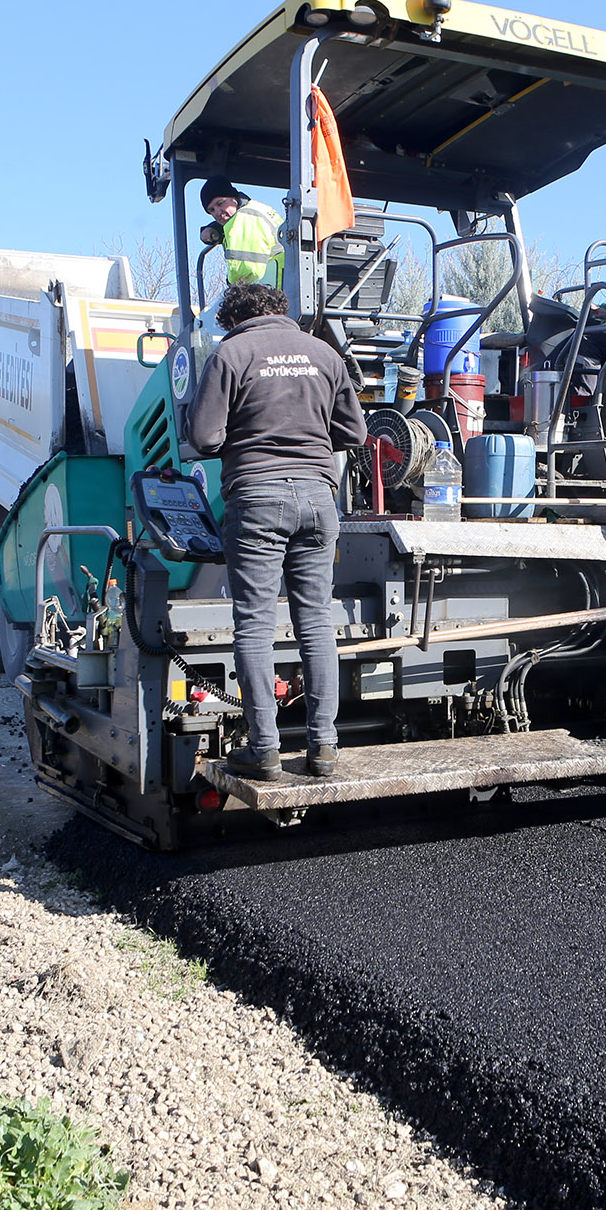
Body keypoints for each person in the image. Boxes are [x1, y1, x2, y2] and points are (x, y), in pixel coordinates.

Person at [187, 282, 366, 779]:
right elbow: (355, 434)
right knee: (315, 623)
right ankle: (324, 749)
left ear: (231, 318)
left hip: (257, 499)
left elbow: (202, 437)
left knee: (255, 624)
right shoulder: (324, 354)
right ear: (280, 311)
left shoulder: (231, 353)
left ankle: (263, 750)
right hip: (317, 499)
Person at [198, 177, 284, 287]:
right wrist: (217, 229)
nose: (218, 212)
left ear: (233, 198)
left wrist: (231, 286)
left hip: (272, 291)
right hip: (279, 285)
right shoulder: (254, 210)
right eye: (212, 210)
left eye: (220, 203)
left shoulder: (244, 218)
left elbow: (245, 272)